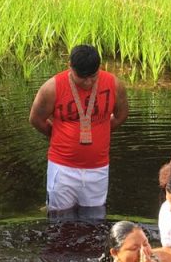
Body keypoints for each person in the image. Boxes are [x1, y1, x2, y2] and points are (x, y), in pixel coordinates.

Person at [29, 44, 128, 220]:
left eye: (93, 76)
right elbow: (36, 119)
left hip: (98, 168)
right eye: (81, 78)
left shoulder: (114, 84)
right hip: (62, 168)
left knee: (95, 220)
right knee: (59, 219)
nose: (88, 82)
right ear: (70, 67)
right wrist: (58, 136)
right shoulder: (52, 88)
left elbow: (121, 115)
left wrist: (102, 132)